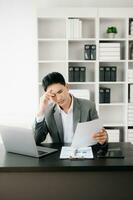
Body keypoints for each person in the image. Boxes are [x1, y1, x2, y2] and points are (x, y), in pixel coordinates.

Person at [34, 72, 108, 146]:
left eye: (60, 92)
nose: (58, 98)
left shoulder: (89, 106)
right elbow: (36, 140)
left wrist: (103, 138)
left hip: (83, 152)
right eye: (53, 95)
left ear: (67, 87)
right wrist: (41, 111)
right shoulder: (48, 111)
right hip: (59, 154)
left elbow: (100, 133)